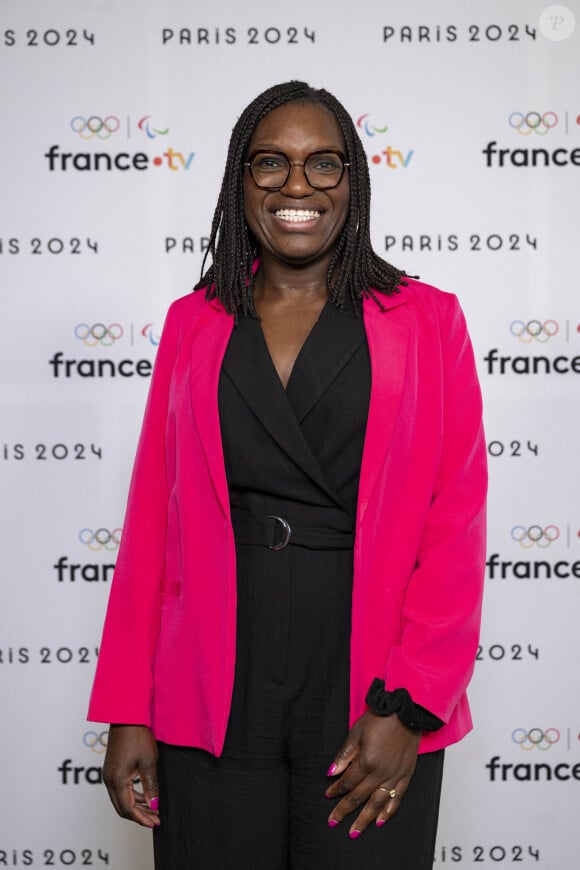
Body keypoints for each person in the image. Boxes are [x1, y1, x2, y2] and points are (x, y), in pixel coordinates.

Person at [88, 80, 487, 870]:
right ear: (240, 181)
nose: (297, 185)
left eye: (323, 164)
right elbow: (152, 528)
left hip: (367, 673)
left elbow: (455, 524)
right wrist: (131, 708)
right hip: (211, 671)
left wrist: (408, 706)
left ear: (354, 181)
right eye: (270, 163)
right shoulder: (192, 322)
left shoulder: (427, 319)